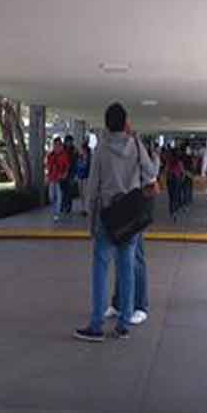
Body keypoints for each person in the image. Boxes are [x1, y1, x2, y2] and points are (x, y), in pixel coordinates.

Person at [74, 102, 158, 342]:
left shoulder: (101, 149)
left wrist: (91, 219)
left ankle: (96, 326)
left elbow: (93, 188)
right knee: (127, 268)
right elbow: (151, 173)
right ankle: (123, 325)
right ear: (125, 122)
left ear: (106, 124)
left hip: (108, 217)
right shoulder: (136, 145)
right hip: (131, 215)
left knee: (100, 270)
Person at [105, 140, 160, 326]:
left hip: (133, 209)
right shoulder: (110, 148)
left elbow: (151, 175)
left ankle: (140, 306)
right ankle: (118, 303)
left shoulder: (137, 149)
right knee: (122, 258)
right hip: (117, 209)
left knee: (135, 258)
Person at [46, 137, 70, 221]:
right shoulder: (50, 155)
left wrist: (64, 174)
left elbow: (67, 166)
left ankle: (56, 213)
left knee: (59, 196)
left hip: (59, 179)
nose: (57, 146)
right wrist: (48, 176)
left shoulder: (64, 155)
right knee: (51, 196)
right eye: (55, 145)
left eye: (59, 145)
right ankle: (55, 210)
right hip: (52, 178)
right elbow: (48, 167)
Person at [60, 135, 78, 215]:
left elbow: (76, 162)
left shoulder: (74, 150)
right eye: (69, 141)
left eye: (71, 141)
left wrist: (75, 174)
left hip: (71, 173)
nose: (70, 143)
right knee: (63, 190)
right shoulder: (62, 150)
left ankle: (68, 207)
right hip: (62, 173)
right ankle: (62, 206)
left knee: (69, 191)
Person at [76, 138, 92, 216]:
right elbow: (77, 166)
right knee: (81, 193)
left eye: (83, 149)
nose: (82, 151)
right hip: (80, 176)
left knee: (85, 193)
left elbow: (88, 167)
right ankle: (83, 208)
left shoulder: (89, 157)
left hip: (86, 176)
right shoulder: (80, 157)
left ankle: (86, 208)